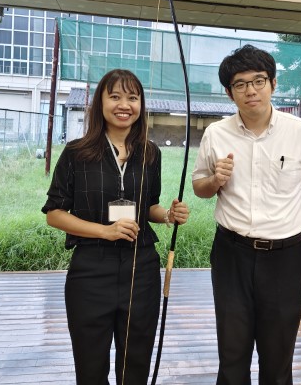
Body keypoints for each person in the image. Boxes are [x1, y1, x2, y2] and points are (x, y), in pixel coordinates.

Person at [192, 45, 301, 385]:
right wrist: (215, 180)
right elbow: (199, 187)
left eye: (258, 81)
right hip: (231, 254)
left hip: (284, 258)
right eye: (240, 84)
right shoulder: (216, 133)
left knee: (278, 357)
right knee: (232, 353)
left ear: (273, 84)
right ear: (229, 92)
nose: (250, 90)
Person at [42, 68, 190, 385]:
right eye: (115, 97)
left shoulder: (150, 153)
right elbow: (54, 213)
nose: (125, 105)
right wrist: (105, 231)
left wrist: (168, 215)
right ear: (101, 103)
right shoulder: (77, 153)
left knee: (135, 365)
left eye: (133, 98)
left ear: (141, 105)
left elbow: (148, 206)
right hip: (90, 270)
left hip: (141, 268)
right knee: (90, 368)